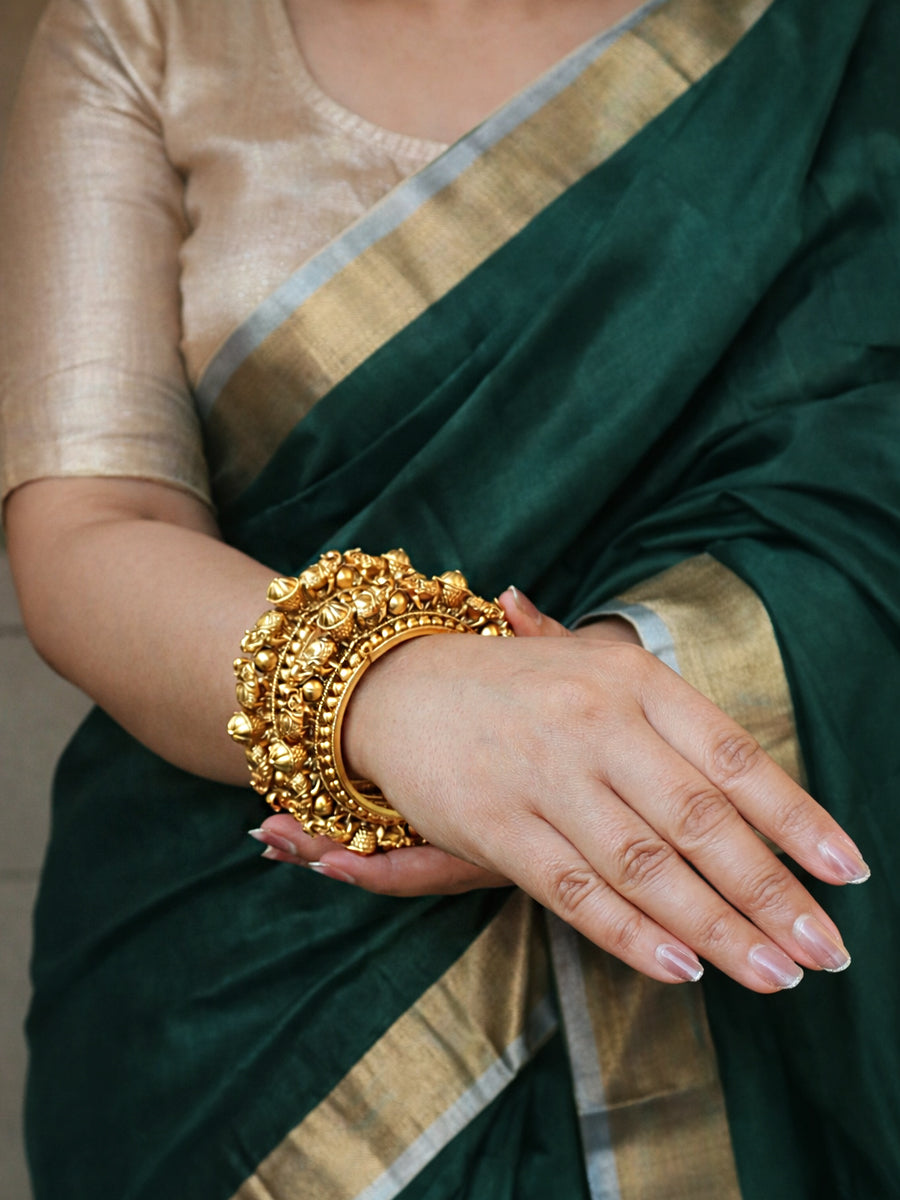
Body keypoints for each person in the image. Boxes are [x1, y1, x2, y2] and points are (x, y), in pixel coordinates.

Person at [1, 0, 898, 1196]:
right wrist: (399, 698)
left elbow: (867, 466)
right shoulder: (147, 25)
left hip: (753, 961)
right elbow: (92, 525)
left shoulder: (835, 43)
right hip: (241, 999)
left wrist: (620, 716)